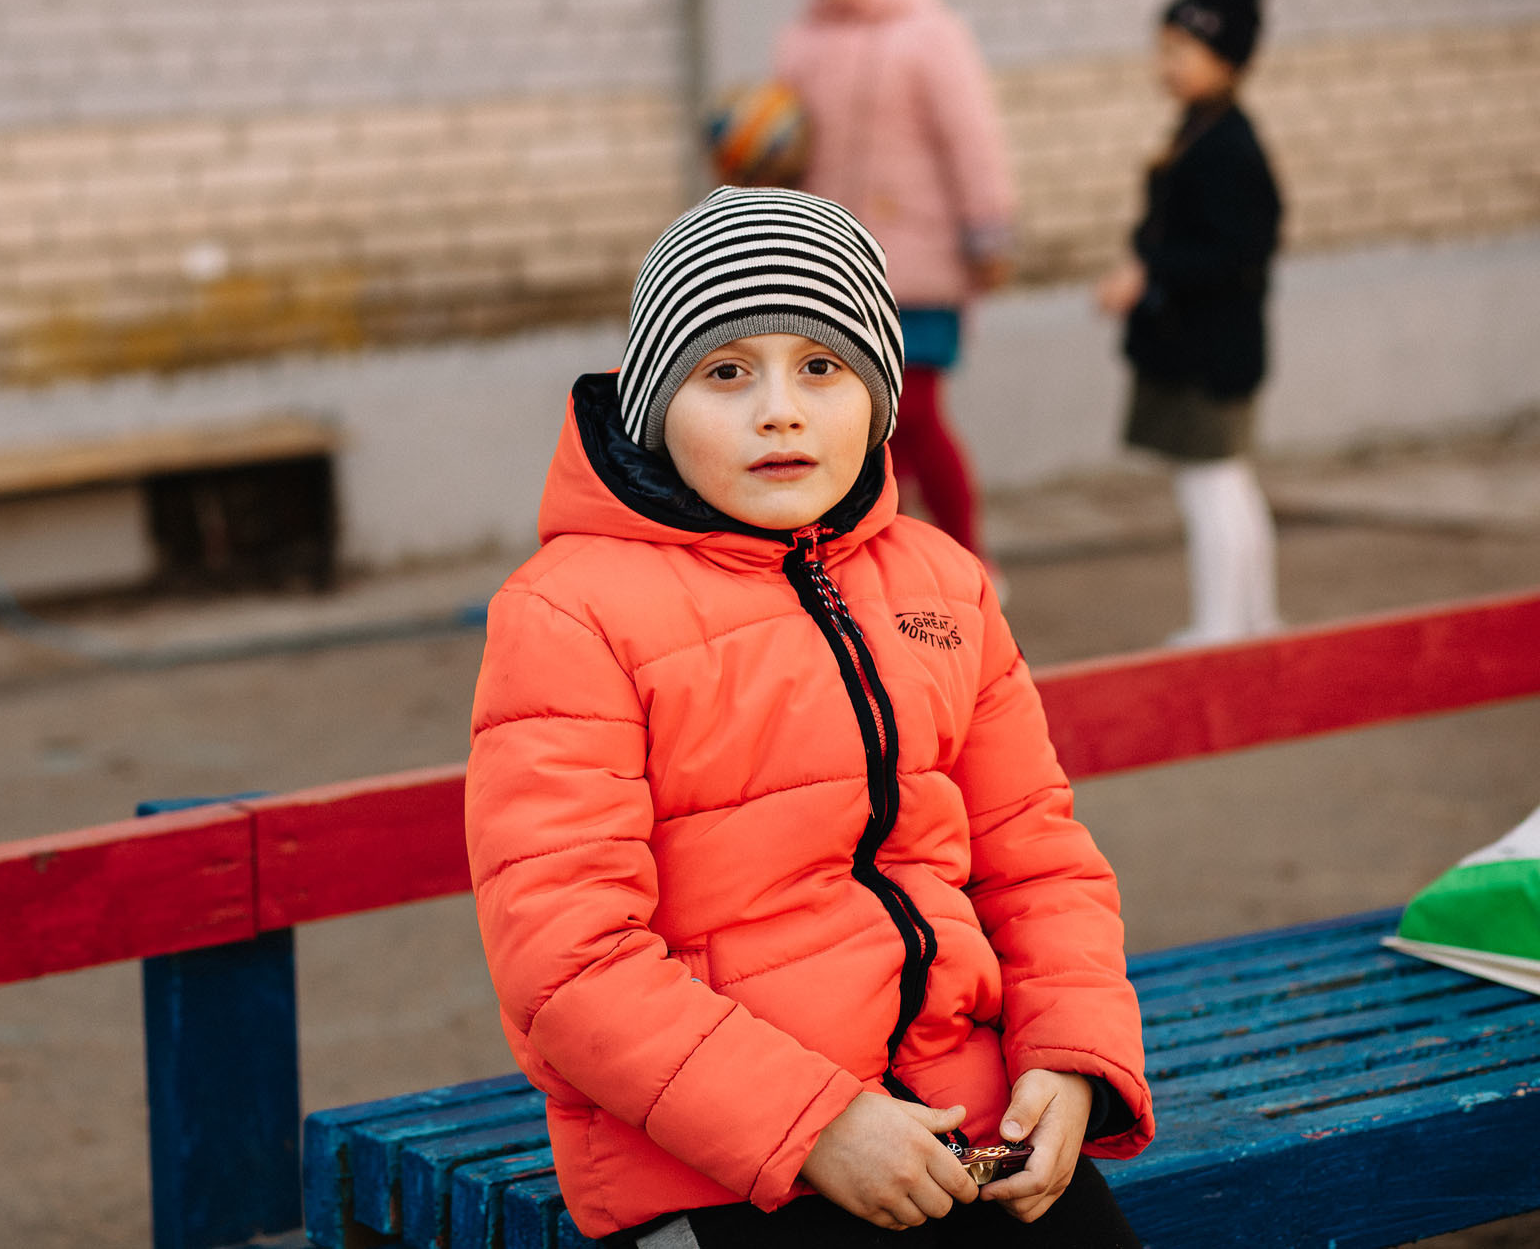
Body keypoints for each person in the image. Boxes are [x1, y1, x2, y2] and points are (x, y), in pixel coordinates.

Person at [466, 187, 1151, 1249]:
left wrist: (1068, 1059)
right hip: (718, 1161)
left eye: (820, 366)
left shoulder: (940, 583)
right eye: (725, 371)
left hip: (969, 1122)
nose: (777, 409)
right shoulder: (569, 612)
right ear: (654, 404)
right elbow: (566, 960)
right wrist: (815, 1125)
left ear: (879, 398)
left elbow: (1036, 859)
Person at [773, 0, 1017, 579]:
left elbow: (973, 139)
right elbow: (784, 142)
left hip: (920, 268)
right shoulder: (802, 39)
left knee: (915, 414)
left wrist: (988, 230)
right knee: (861, 428)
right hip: (833, 271)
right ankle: (888, 566)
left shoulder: (931, 35)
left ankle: (969, 560)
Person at [1096, 0, 1285, 646]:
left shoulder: (1229, 146)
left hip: (1210, 351)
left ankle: (1222, 627)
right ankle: (1254, 618)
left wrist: (1147, 269)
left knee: (1212, 486)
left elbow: (1238, 251)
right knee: (1226, 481)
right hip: (1205, 345)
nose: (1165, 63)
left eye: (1182, 49)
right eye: (1163, 48)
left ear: (1227, 60)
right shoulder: (1203, 131)